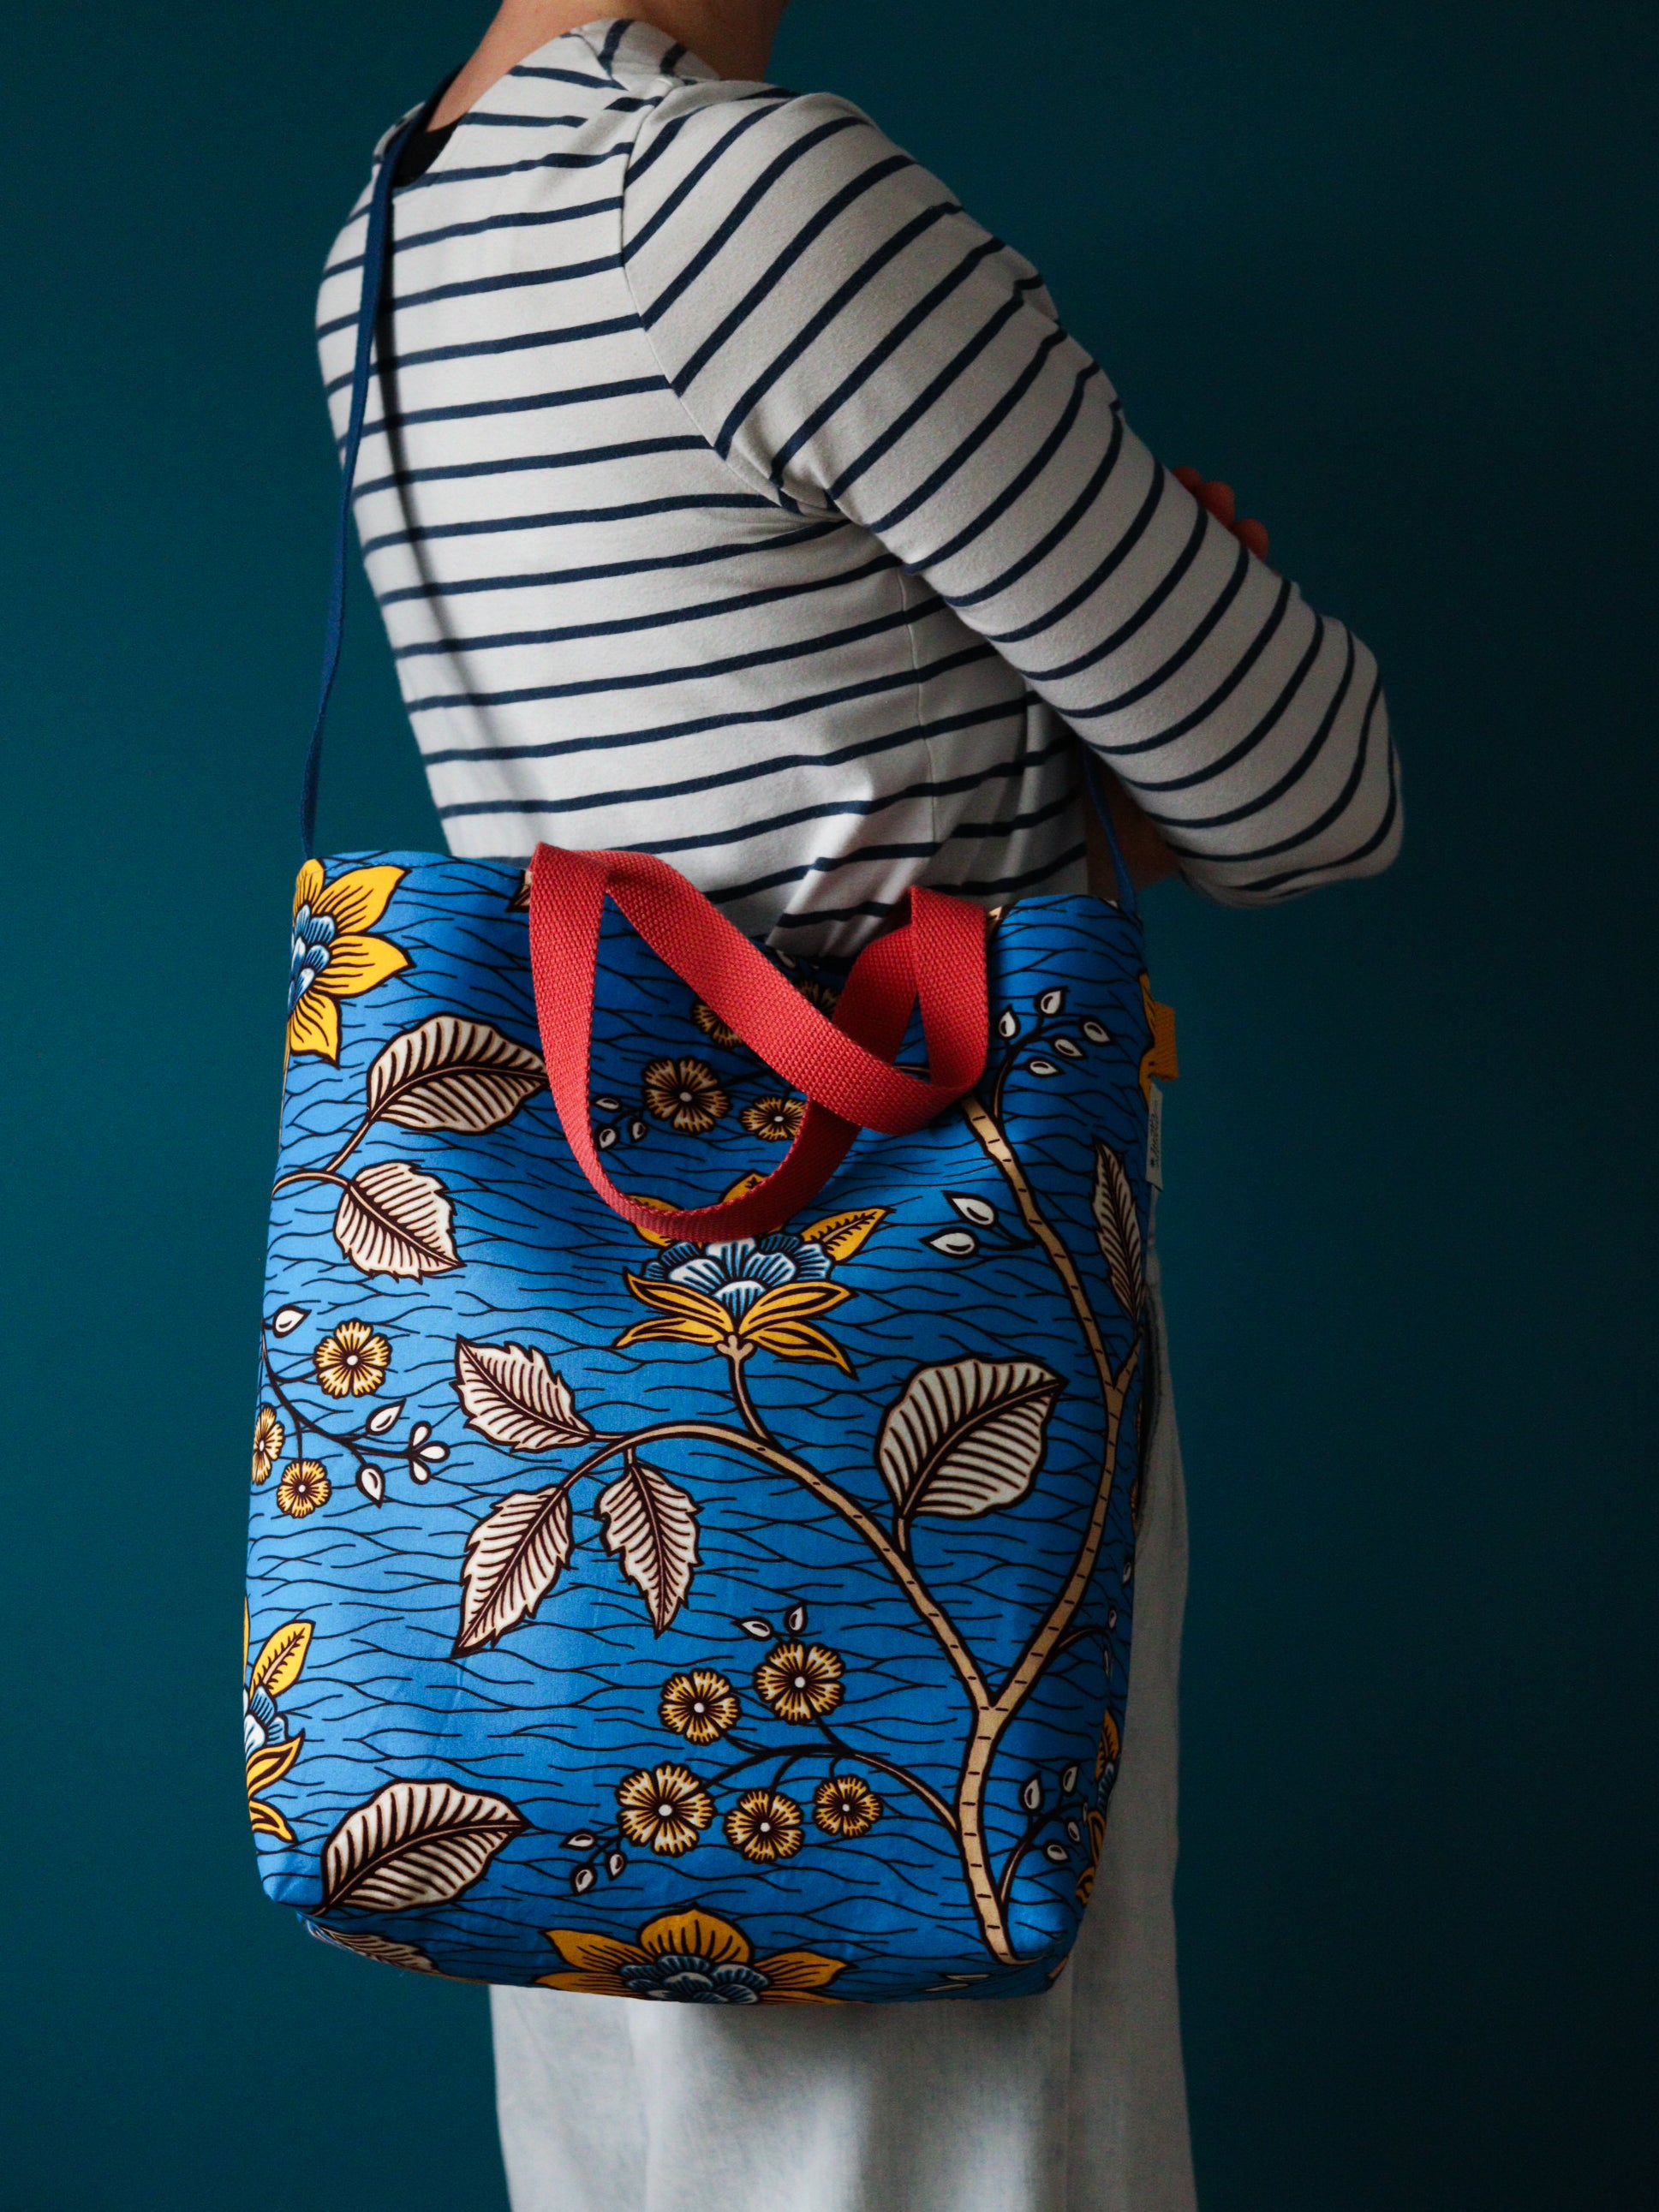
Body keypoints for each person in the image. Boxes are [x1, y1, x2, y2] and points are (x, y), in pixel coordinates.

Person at [315, 6, 1400, 2206]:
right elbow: (1314, 787)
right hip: (916, 1357)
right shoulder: (754, 199)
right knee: (972, 2134)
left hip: (573, 1415)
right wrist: (1104, 712)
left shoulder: (393, 230)